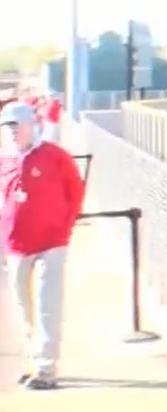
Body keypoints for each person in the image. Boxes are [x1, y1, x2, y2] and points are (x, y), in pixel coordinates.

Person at [1, 101, 85, 390]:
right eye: (7, 127)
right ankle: (33, 360)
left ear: (30, 126)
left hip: (52, 243)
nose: (12, 132)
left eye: (16, 126)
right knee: (23, 306)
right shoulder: (4, 159)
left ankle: (47, 369)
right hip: (15, 245)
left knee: (47, 304)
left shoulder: (54, 156)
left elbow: (75, 191)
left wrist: (65, 227)